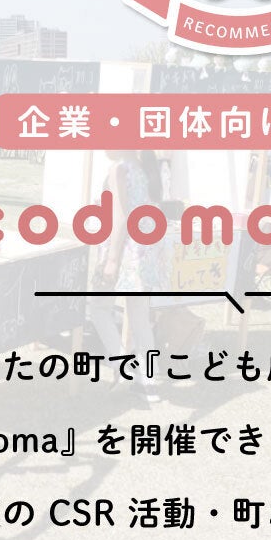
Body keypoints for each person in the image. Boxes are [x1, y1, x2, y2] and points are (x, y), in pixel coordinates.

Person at [88, 151, 170, 404]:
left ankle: (123, 365)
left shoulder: (119, 169)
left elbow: (120, 216)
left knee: (98, 307)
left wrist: (112, 259)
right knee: (139, 317)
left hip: (123, 249)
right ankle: (147, 383)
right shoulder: (146, 167)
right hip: (144, 250)